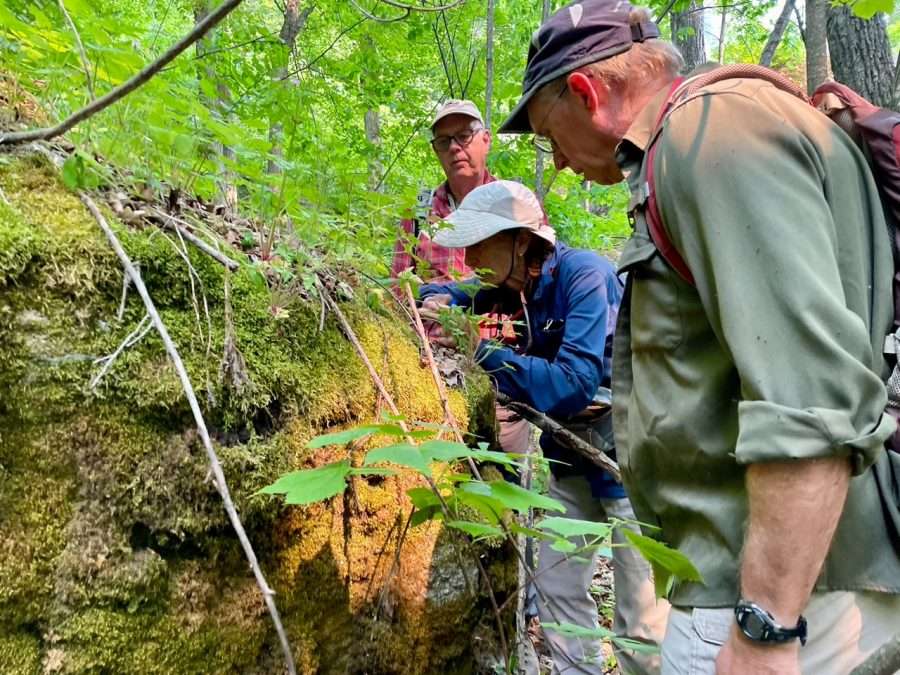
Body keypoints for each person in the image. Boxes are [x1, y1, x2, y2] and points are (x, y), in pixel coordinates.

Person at [496, 1, 900, 673]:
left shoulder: (709, 136)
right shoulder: (720, 129)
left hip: (782, 584)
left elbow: (808, 399)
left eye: (549, 134)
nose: (559, 164)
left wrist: (765, 626)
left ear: (587, 93)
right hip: (803, 569)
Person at [419, 179, 669, 675]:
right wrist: (435, 296)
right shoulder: (518, 288)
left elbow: (574, 383)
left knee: (642, 622)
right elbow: (465, 291)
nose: (467, 257)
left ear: (519, 240)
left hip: (628, 461)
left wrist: (482, 352)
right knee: (557, 598)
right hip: (567, 458)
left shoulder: (584, 276)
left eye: (478, 244)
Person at [390, 99, 495, 284]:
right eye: (443, 141)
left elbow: (540, 285)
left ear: (486, 140)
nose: (454, 147)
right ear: (436, 151)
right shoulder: (418, 212)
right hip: (427, 313)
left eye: (464, 136)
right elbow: (399, 287)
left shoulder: (514, 203)